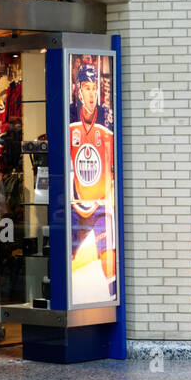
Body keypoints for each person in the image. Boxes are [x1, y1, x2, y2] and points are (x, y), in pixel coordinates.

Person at [69, 62, 117, 300]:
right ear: (78, 89)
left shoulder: (107, 116)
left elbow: (115, 158)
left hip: (101, 202)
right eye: (86, 87)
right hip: (75, 201)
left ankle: (112, 295)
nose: (91, 92)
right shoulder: (69, 115)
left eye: (94, 87)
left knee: (109, 254)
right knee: (64, 259)